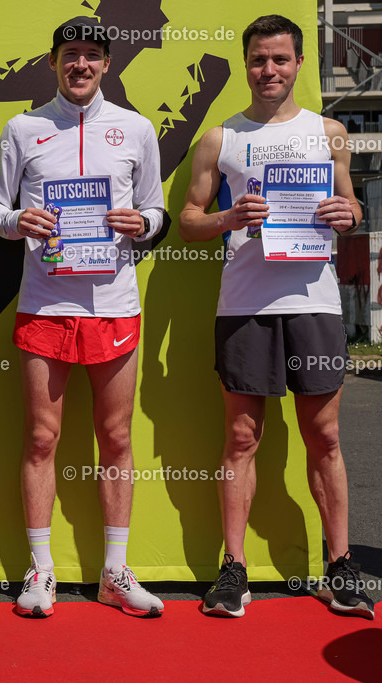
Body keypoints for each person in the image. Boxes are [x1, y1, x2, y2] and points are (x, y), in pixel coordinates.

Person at [180, 15, 374, 620]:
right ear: (246, 65)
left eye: (281, 60)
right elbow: (188, 220)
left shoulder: (332, 132)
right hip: (245, 307)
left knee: (325, 437)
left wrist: (350, 213)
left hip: (313, 304)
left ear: (298, 65)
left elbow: (353, 208)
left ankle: (341, 565)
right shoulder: (220, 138)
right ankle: (233, 569)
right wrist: (227, 220)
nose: (270, 71)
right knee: (241, 438)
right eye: (260, 60)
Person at [0, 17, 167, 618]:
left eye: (91, 55)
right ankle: (42, 571)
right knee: (42, 438)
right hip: (45, 303)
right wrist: (17, 223)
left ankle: (114, 572)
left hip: (115, 304)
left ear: (107, 64)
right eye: (70, 55)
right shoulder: (23, 126)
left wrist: (145, 226)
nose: (80, 64)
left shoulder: (136, 129)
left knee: (115, 438)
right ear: (54, 62)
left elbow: (157, 210)